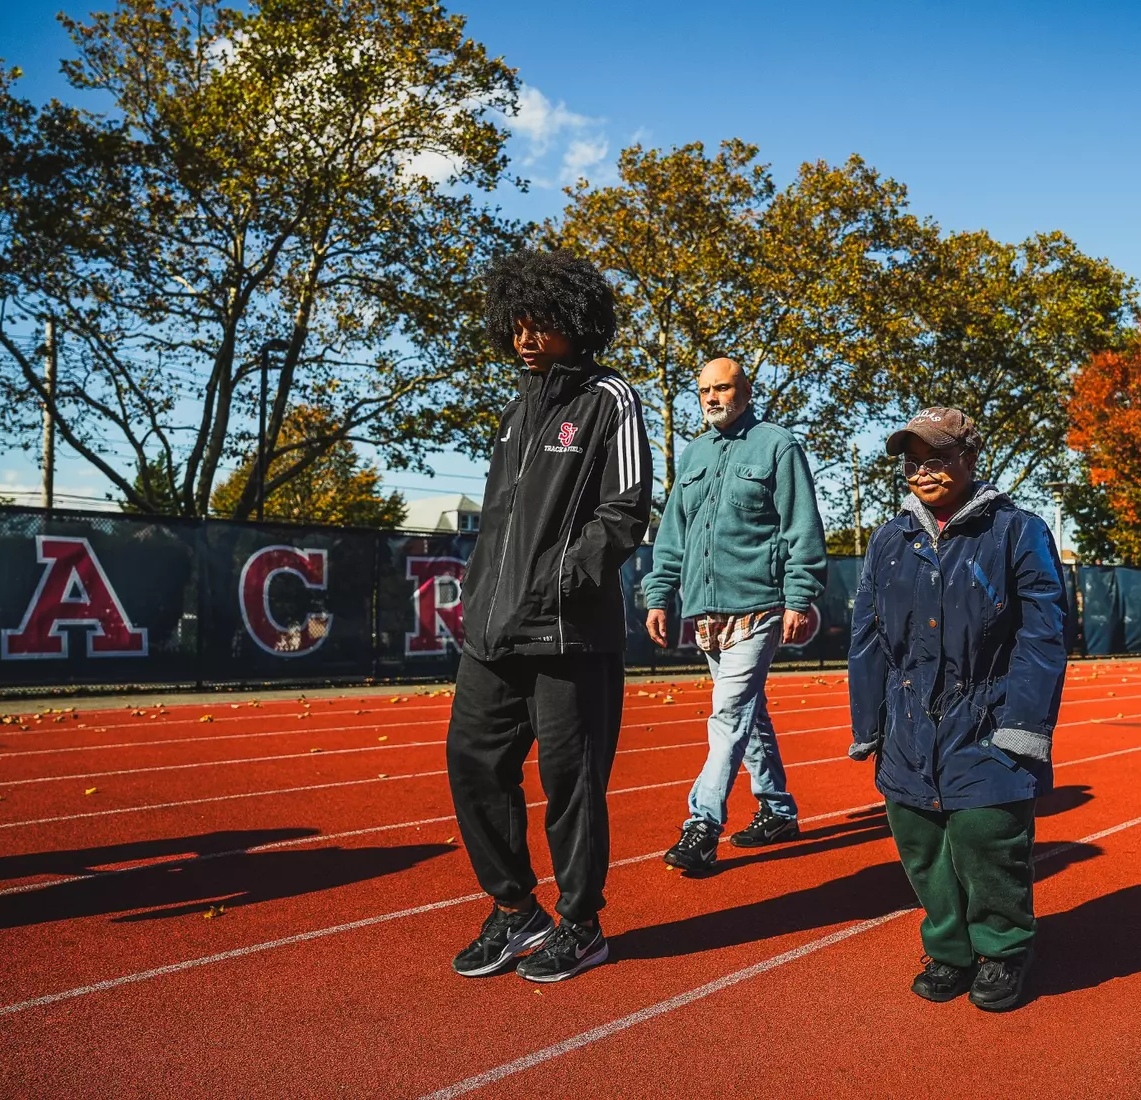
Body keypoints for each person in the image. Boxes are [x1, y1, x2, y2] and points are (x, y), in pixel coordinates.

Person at [446, 249, 651, 983]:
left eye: (544, 322)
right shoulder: (513, 411)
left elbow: (626, 510)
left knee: (572, 784)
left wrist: (564, 579)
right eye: (518, 323)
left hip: (569, 635)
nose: (528, 337)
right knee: (472, 765)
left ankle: (580, 923)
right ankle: (514, 912)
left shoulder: (609, 399)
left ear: (579, 322)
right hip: (492, 634)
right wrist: (476, 600)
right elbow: (499, 527)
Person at [847, 408, 1067, 1012]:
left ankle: (1003, 948)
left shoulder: (1018, 531)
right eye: (912, 462)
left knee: (986, 836)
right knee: (920, 839)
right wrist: (869, 725)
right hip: (908, 720)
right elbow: (866, 633)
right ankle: (949, 949)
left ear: (971, 458)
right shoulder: (890, 538)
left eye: (937, 459)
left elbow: (1042, 633)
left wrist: (1024, 726)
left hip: (990, 713)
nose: (923, 472)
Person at [642, 357, 829, 873]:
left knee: (728, 713)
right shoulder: (694, 454)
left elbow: (802, 529)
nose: (710, 398)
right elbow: (673, 536)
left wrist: (799, 596)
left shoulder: (777, 445)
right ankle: (776, 808)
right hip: (706, 612)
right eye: (703, 390)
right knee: (749, 712)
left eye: (721, 388)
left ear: (745, 391)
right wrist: (658, 595)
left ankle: (702, 824)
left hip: (760, 605)